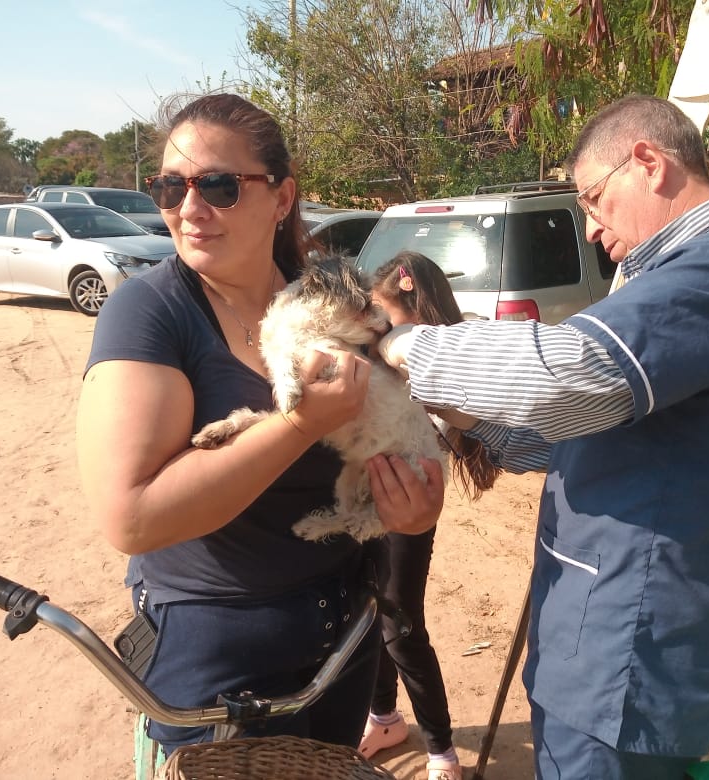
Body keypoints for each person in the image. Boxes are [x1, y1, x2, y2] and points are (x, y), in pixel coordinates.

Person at [378, 95, 709, 780]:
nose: (589, 228)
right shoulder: (677, 272)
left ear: (647, 162)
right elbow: (586, 431)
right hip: (599, 632)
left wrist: (399, 344)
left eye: (591, 199)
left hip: (630, 651)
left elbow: (571, 374)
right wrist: (473, 420)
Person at [75, 93, 444, 764]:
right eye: (169, 186)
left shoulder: (333, 297)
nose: (189, 208)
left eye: (217, 185)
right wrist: (301, 424)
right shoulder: (150, 312)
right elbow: (132, 517)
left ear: (282, 197)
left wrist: (413, 511)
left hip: (344, 640)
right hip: (219, 663)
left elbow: (395, 428)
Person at [359, 251, 502, 780]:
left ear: (413, 306)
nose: (378, 331)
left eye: (385, 317)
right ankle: (384, 717)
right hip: (365, 503)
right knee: (366, 619)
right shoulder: (382, 354)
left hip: (409, 508)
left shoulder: (440, 357)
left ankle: (441, 750)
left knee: (399, 625)